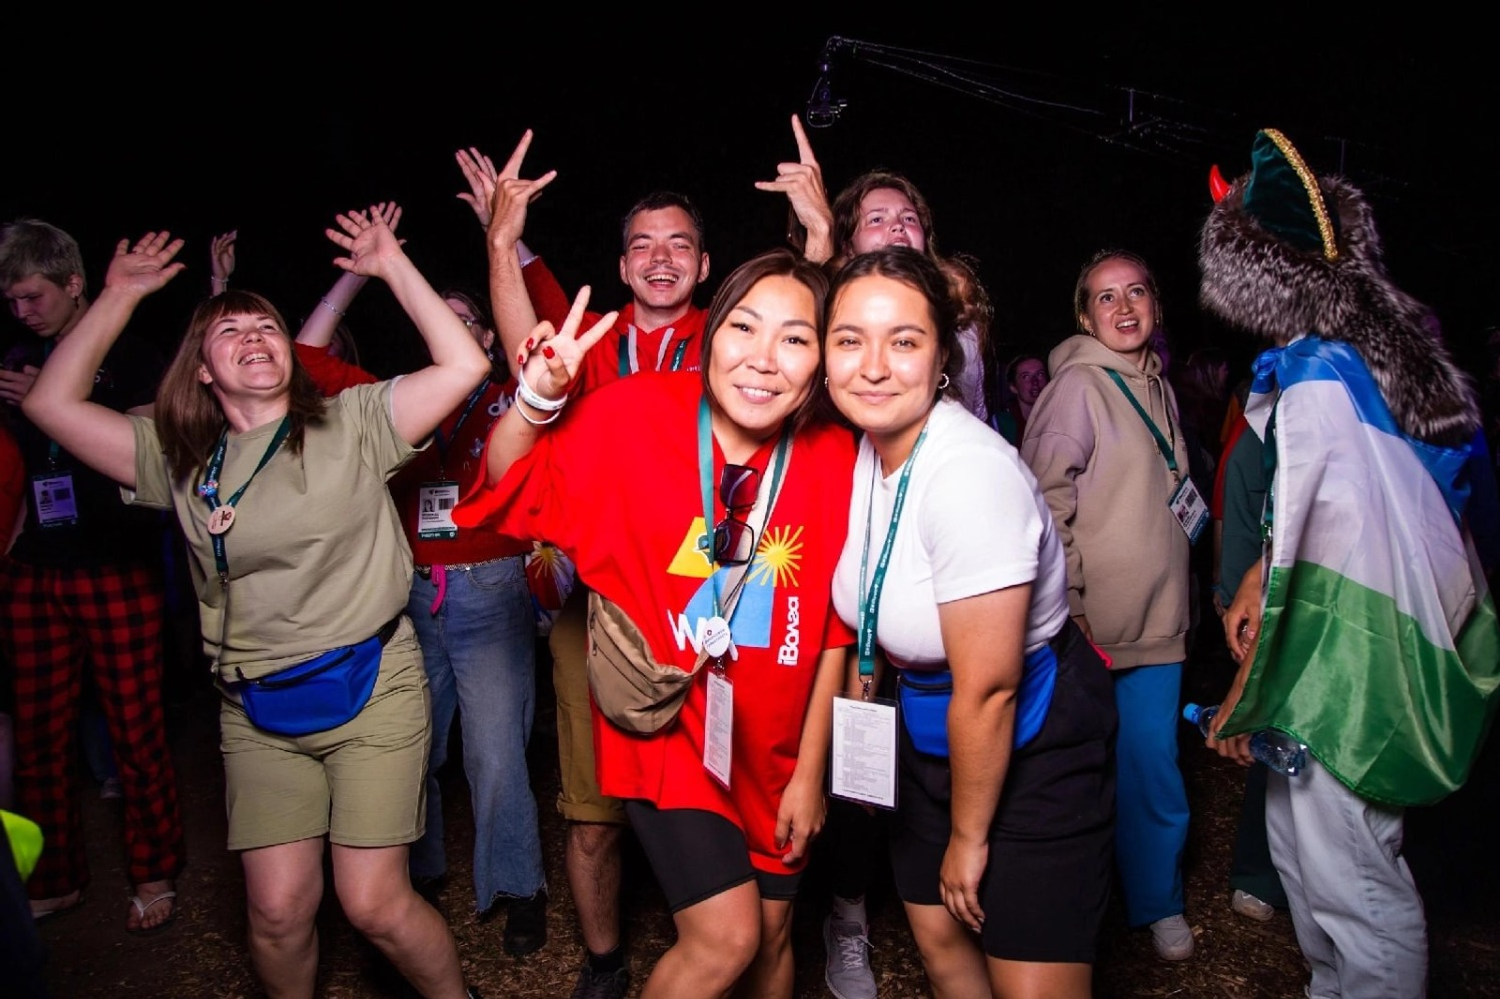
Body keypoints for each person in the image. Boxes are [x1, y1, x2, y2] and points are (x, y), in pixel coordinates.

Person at [22, 213, 491, 999]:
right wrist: (117, 295)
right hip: (255, 708)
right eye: (229, 330)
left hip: (373, 685)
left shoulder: (353, 421)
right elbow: (49, 403)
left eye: (267, 326)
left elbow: (464, 363)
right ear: (202, 368)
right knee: (276, 912)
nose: (253, 337)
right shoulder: (179, 456)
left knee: (373, 903)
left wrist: (390, 264)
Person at [456, 249, 855, 999]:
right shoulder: (631, 414)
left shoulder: (837, 454)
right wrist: (536, 399)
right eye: (744, 327)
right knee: (727, 937)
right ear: (712, 332)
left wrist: (810, 771)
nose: (763, 358)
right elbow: (508, 488)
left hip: (774, 746)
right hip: (665, 723)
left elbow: (837, 626)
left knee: (772, 938)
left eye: (796, 338)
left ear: (822, 360)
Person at [1201, 128, 1499, 999]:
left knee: (1356, 883)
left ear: (1263, 274)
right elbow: (1313, 509)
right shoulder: (1343, 360)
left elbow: (1328, 553)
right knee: (1304, 857)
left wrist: (1247, 684)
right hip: (1329, 664)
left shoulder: (1326, 376)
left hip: (1349, 673)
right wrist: (1256, 572)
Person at [457, 132, 713, 998]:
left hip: (712, 607)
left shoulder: (732, 338)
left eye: (678, 243)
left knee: (712, 800)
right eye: (643, 244)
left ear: (704, 264)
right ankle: (605, 964)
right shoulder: (596, 343)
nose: (660, 257)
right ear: (622, 264)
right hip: (596, 605)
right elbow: (527, 350)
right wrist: (502, 240)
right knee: (594, 811)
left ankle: (719, 945)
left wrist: (820, 244)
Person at [824, 247, 1115, 999]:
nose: (874, 366)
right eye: (850, 339)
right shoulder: (870, 448)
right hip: (927, 726)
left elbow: (989, 690)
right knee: (941, 945)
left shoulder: (970, 475)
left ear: (943, 358)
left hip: (1027, 741)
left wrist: (968, 836)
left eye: (904, 340)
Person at [292, 269, 549, 952]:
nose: (451, 327)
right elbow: (304, 360)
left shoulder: (511, 397)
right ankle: (416, 874)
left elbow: (554, 352)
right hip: (408, 591)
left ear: (487, 338)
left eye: (464, 319)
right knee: (414, 748)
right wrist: (355, 274)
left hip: (490, 588)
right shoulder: (396, 399)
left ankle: (519, 886)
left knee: (496, 754)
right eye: (439, 317)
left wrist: (507, 248)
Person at [0, 218, 184, 932]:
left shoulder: (130, 353)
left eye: (34, 296)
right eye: (12, 300)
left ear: (75, 284)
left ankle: (153, 869)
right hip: (35, 565)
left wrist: (55, 402)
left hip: (114, 562)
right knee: (40, 737)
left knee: (136, 729)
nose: (23, 311)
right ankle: (54, 877)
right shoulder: (18, 356)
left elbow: (154, 443)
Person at [1020, 249, 1195, 962]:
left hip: (1162, 620)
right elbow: (1043, 502)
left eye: (1136, 292)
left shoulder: (1160, 385)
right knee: (1082, 774)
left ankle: (1157, 902)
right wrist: (1072, 602)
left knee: (1153, 764)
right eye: (1105, 297)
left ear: (1156, 303)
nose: (1124, 308)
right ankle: (1076, 915)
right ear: (1085, 317)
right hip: (1093, 627)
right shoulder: (1077, 390)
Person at [991, 354, 1047, 447]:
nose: (1035, 382)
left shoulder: (1059, 417)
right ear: (1013, 387)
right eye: (1026, 376)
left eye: (1040, 374)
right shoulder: (1001, 422)